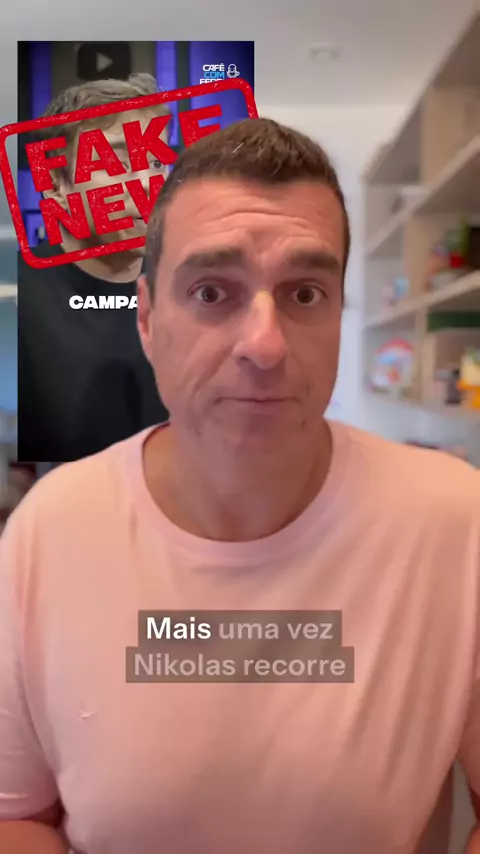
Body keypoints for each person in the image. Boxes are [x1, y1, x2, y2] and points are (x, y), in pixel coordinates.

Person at [1, 117, 480, 854]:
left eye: (305, 294)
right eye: (212, 291)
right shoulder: (50, 530)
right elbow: (17, 815)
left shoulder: (456, 522)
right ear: (147, 320)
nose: (264, 344)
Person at [18, 73, 169, 465]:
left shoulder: (190, 285)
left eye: (155, 160)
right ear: (55, 182)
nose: (147, 182)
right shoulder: (18, 296)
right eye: (117, 161)